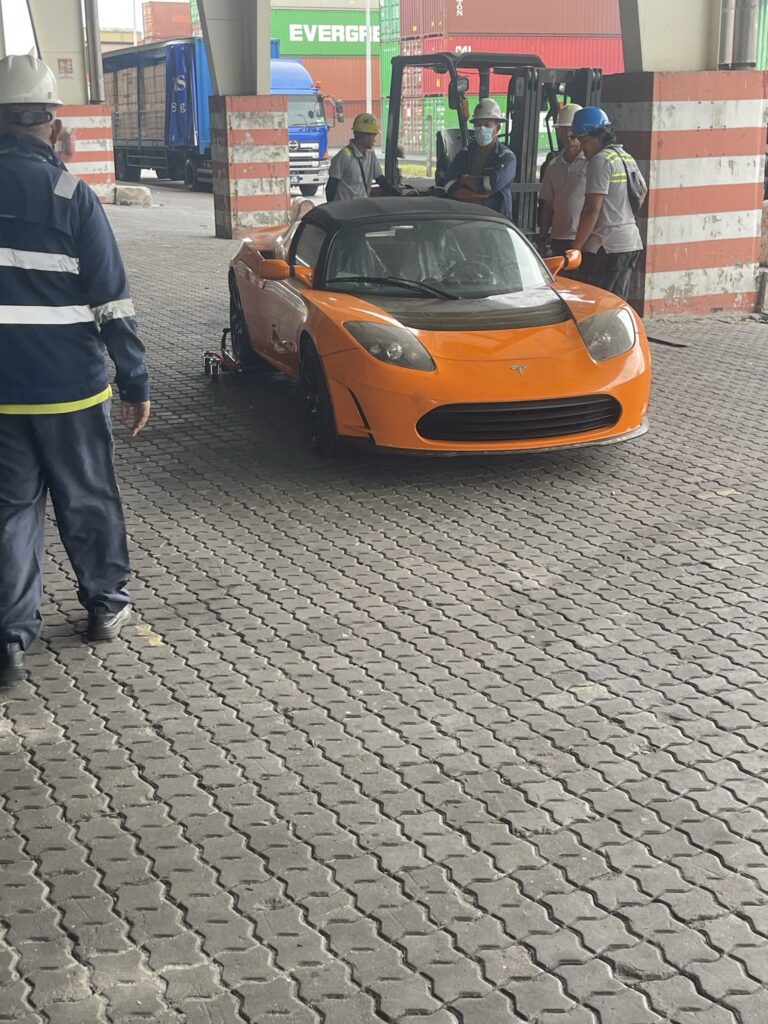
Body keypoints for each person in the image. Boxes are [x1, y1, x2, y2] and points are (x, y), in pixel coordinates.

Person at [0, 55, 150, 685]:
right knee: (86, 499)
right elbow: (111, 300)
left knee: (10, 513)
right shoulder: (71, 195)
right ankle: (105, 607)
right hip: (70, 391)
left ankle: (9, 640)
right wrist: (135, 381)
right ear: (53, 124)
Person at [571, 106, 646, 299]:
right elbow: (642, 192)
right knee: (616, 304)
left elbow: (591, 209)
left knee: (598, 306)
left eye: (584, 141)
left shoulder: (600, 160)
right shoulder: (625, 157)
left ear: (599, 136)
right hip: (629, 242)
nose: (581, 147)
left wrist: (575, 248)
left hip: (606, 247)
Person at [445, 99, 516, 220]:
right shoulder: (464, 154)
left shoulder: (506, 158)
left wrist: (465, 180)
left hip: (496, 223)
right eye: (478, 125)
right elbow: (448, 185)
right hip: (466, 221)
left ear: (497, 128)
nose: (481, 129)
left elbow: (493, 184)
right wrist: (479, 196)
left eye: (487, 125)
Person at [538, 103, 586, 257]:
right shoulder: (553, 167)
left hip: (585, 239)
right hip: (559, 238)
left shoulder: (592, 163)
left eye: (572, 129)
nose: (568, 134)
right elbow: (547, 206)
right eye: (563, 129)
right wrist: (542, 238)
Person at [326, 113, 401, 201]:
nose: (375, 140)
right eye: (374, 136)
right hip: (346, 211)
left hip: (362, 208)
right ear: (365, 136)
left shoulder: (370, 153)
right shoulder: (344, 156)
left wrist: (397, 195)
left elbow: (380, 179)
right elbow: (331, 187)